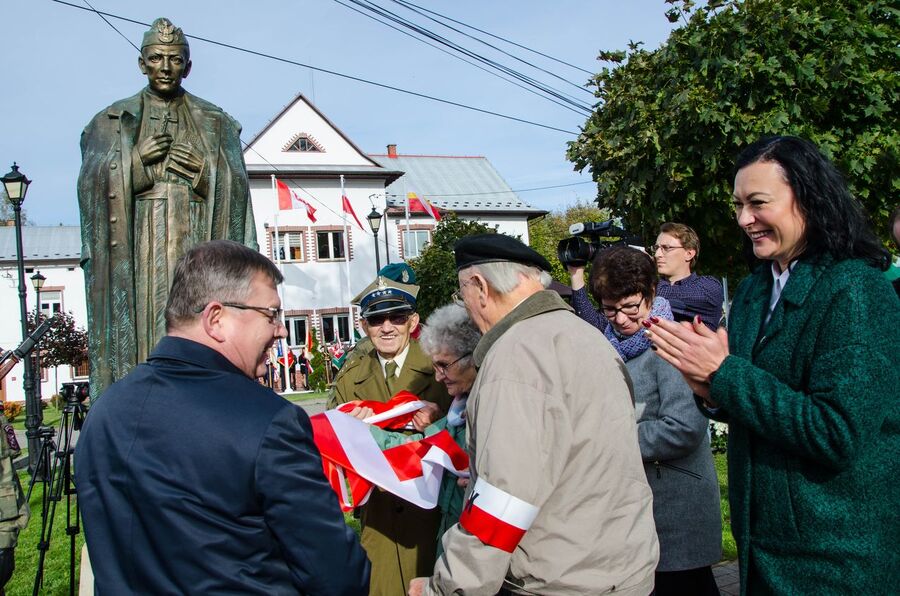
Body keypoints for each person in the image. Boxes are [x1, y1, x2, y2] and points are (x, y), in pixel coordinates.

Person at [647, 136, 900, 593]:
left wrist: (724, 374)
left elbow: (837, 431)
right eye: (738, 205)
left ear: (808, 198)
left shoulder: (857, 290)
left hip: (835, 558)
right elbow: (754, 399)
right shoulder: (754, 289)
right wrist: (710, 390)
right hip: (764, 547)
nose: (744, 219)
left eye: (758, 203)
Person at [75, 240, 369, 594]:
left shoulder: (104, 411)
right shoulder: (269, 421)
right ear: (216, 319)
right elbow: (337, 575)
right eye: (271, 314)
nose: (281, 330)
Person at [410, 233, 659, 596]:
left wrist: (444, 588)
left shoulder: (514, 356)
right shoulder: (587, 335)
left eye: (462, 294)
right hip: (622, 567)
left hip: (561, 579)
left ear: (480, 286)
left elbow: (501, 504)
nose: (466, 306)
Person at [78, 17, 256, 399]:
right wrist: (134, 164)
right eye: (156, 58)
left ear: (187, 67)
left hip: (198, 243)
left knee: (199, 328)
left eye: (175, 59)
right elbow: (90, 184)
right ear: (141, 63)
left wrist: (205, 174)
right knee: (148, 333)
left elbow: (239, 188)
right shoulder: (111, 120)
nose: (165, 67)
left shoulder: (217, 121)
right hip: (140, 251)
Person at [590, 245, 721, 595]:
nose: (620, 319)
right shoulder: (608, 348)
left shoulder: (673, 345)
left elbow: (683, 428)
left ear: (650, 294)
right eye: (609, 309)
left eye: (630, 307)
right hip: (637, 508)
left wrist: (611, 439)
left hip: (676, 510)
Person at [330, 275, 452, 596]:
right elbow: (331, 452)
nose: (387, 327)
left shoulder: (442, 368)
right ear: (363, 326)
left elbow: (468, 434)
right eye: (376, 319)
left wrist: (438, 421)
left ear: (413, 321)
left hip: (433, 519)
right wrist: (348, 430)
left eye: (397, 317)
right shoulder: (350, 379)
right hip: (379, 520)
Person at [348, 303, 480, 556]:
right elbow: (417, 448)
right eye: (376, 320)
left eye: (444, 366)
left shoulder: (489, 407)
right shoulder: (460, 407)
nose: (438, 376)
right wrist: (352, 429)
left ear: (472, 358)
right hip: (449, 537)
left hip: (475, 543)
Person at [652, 222, 724, 329]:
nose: (657, 254)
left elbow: (666, 295)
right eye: (656, 248)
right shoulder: (653, 284)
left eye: (666, 248)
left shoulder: (707, 287)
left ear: (689, 254)